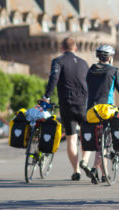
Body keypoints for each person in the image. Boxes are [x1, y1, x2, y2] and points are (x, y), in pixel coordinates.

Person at [82, 44, 119, 184]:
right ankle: (96, 168)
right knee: (108, 140)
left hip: (91, 111)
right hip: (106, 110)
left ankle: (103, 173)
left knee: (100, 141)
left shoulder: (90, 71)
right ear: (110, 58)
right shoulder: (113, 71)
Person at [42, 37, 91, 181]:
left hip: (67, 103)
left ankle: (76, 171)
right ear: (75, 48)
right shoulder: (84, 63)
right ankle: (85, 162)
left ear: (62, 48)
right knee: (86, 135)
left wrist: (47, 96)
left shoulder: (58, 61)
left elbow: (53, 79)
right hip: (83, 103)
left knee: (71, 138)